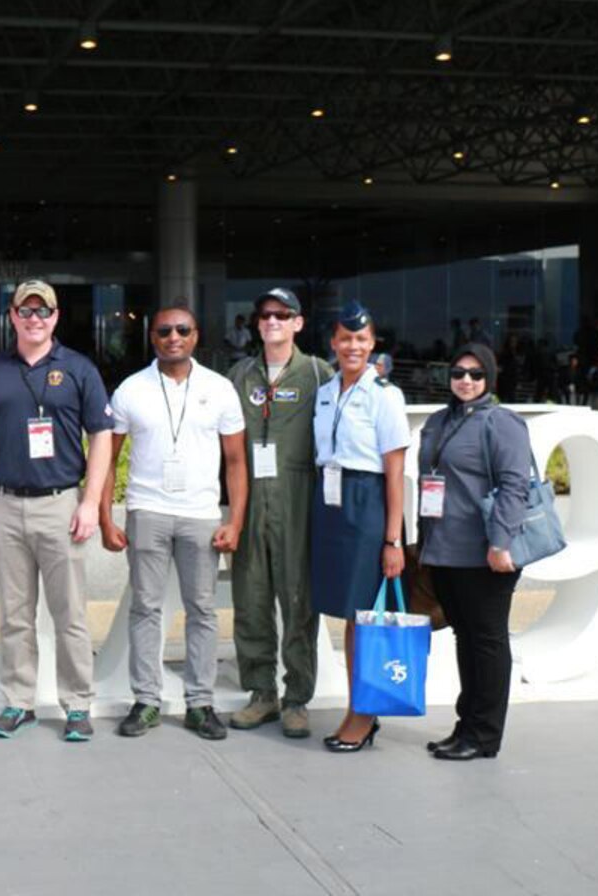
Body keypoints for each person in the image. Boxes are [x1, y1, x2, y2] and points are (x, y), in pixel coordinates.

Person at [0, 280, 114, 743]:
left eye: (41, 311)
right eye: (24, 311)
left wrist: (90, 502)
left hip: (60, 505)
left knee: (69, 613)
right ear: (12, 317)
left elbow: (102, 437)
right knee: (14, 613)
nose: (34, 319)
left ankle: (77, 704)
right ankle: (19, 701)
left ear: (55, 316)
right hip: (4, 503)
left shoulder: (79, 369)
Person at [101, 302, 247, 739]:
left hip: (202, 514)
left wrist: (235, 520)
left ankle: (200, 704)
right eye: (164, 331)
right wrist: (108, 517)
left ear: (196, 335)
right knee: (145, 607)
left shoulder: (220, 388)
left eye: (182, 329)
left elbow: (237, 461)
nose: (173, 338)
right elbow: (107, 457)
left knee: (202, 610)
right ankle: (146, 700)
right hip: (147, 510)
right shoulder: (130, 389)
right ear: (153, 337)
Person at [224, 288, 333, 739]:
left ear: (298, 323)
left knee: (297, 598)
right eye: (264, 314)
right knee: (249, 596)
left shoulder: (318, 374)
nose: (272, 321)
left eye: (281, 315)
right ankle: (261, 693)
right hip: (249, 496)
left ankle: (296, 698)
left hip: (298, 496)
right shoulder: (238, 376)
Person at [416, 343, 532, 760]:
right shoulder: (440, 420)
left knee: (487, 641)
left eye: (476, 374)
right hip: (444, 550)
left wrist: (500, 543)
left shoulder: (501, 423)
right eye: (458, 372)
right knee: (466, 640)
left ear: (490, 379)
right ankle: (466, 726)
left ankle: (485, 736)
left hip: (484, 554)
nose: (466, 380)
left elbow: (515, 486)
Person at [311, 301, 411, 753]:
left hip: (366, 504)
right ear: (333, 343)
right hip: (331, 507)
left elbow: (395, 473)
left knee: (364, 617)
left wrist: (393, 539)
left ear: (373, 345)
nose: (353, 346)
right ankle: (359, 706)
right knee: (350, 614)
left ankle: (363, 712)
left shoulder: (384, 395)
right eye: (345, 338)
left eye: (362, 339)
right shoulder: (327, 390)